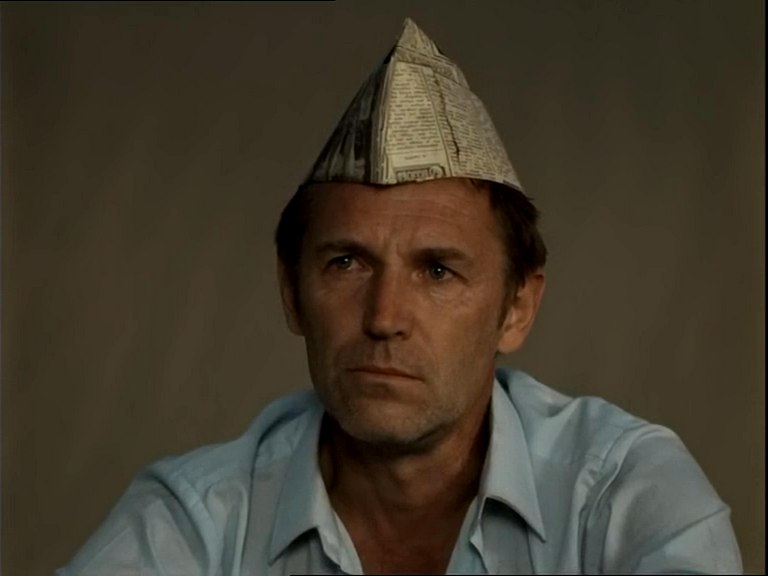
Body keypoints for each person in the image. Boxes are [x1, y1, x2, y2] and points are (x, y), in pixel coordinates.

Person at [58, 18, 742, 575]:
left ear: (517, 308)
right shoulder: (197, 518)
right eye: (346, 262)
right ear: (291, 293)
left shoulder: (621, 490)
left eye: (438, 271)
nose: (384, 317)